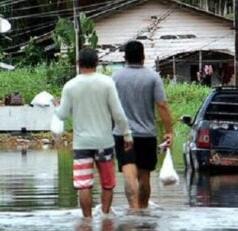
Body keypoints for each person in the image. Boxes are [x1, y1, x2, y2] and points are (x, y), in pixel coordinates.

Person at [55, 48, 133, 218]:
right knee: (107, 184)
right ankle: (105, 217)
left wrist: (56, 105)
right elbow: (118, 112)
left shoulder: (70, 86)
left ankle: (87, 220)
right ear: (97, 63)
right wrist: (126, 134)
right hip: (104, 143)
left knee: (84, 185)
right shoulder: (107, 83)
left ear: (78, 64)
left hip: (81, 144)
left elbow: (62, 115)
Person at [112, 40, 174, 209]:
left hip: (123, 134)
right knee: (144, 176)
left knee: (128, 174)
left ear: (125, 58)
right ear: (143, 57)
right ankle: (143, 210)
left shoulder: (116, 78)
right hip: (147, 135)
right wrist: (169, 131)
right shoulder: (152, 77)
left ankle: (133, 210)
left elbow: (111, 107)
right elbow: (162, 105)